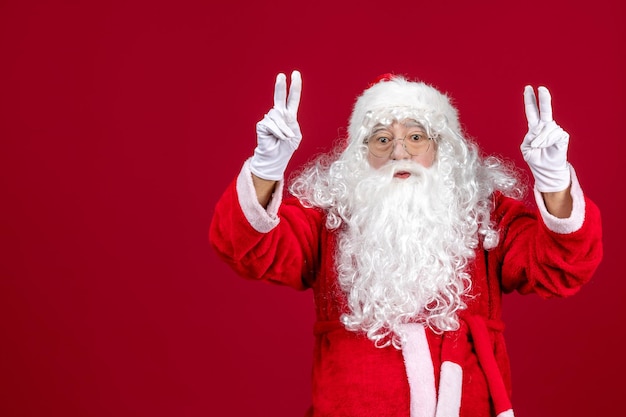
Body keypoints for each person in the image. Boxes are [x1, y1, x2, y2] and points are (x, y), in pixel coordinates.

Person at [209, 71, 603, 417]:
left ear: (442, 148)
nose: (400, 151)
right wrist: (265, 169)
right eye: (382, 139)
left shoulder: (483, 213)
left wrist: (555, 184)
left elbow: (561, 267)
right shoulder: (332, 216)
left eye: (416, 136)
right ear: (360, 153)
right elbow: (245, 246)